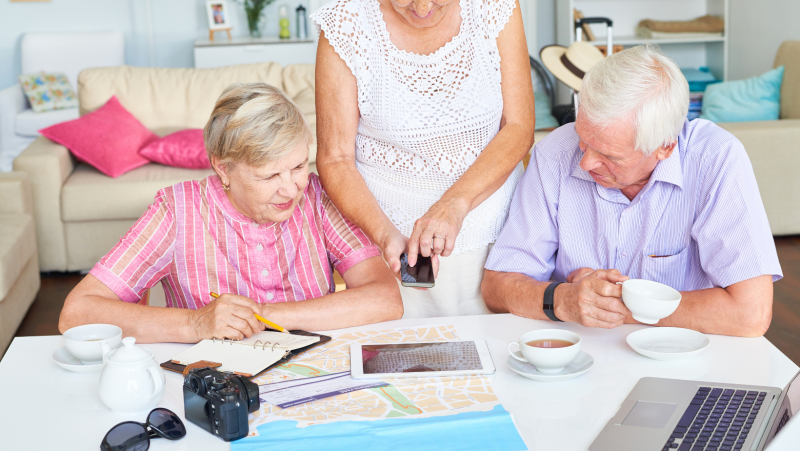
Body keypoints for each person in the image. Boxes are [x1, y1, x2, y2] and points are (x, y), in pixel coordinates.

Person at [59, 83, 402, 343]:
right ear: (223, 169)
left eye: (298, 166)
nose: (291, 189)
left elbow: (386, 299)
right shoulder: (176, 210)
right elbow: (77, 313)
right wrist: (195, 324)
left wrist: (262, 315)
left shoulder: (317, 196)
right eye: (269, 176)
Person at [482, 44, 782, 337]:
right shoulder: (554, 154)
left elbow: (750, 314)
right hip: (577, 349)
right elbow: (496, 288)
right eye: (583, 140)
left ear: (665, 147)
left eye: (609, 156)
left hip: (681, 352)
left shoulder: (715, 159)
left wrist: (611, 305)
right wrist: (564, 299)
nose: (585, 163)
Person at [311, 0, 536, 318]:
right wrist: (385, 234)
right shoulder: (345, 22)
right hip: (391, 244)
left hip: (495, 238)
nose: (421, 7)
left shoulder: (494, 6)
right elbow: (335, 159)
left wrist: (455, 204)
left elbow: (519, 127)